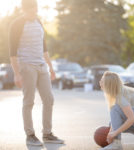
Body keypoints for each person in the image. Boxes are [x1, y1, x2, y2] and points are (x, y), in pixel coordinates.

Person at [9, 0, 64, 146]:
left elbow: (44, 47)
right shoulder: (17, 24)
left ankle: (47, 133)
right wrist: (16, 73)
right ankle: (30, 135)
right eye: (32, 9)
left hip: (41, 65)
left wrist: (50, 67)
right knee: (29, 101)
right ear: (25, 9)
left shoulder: (38, 21)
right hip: (27, 66)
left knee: (49, 99)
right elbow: (12, 52)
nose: (35, 11)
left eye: (36, 8)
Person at [99, 71, 134, 150]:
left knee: (115, 108)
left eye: (102, 81)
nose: (100, 82)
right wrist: (111, 132)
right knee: (112, 123)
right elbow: (116, 121)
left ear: (108, 84)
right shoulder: (118, 93)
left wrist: (114, 134)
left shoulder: (120, 95)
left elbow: (132, 119)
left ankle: (116, 145)